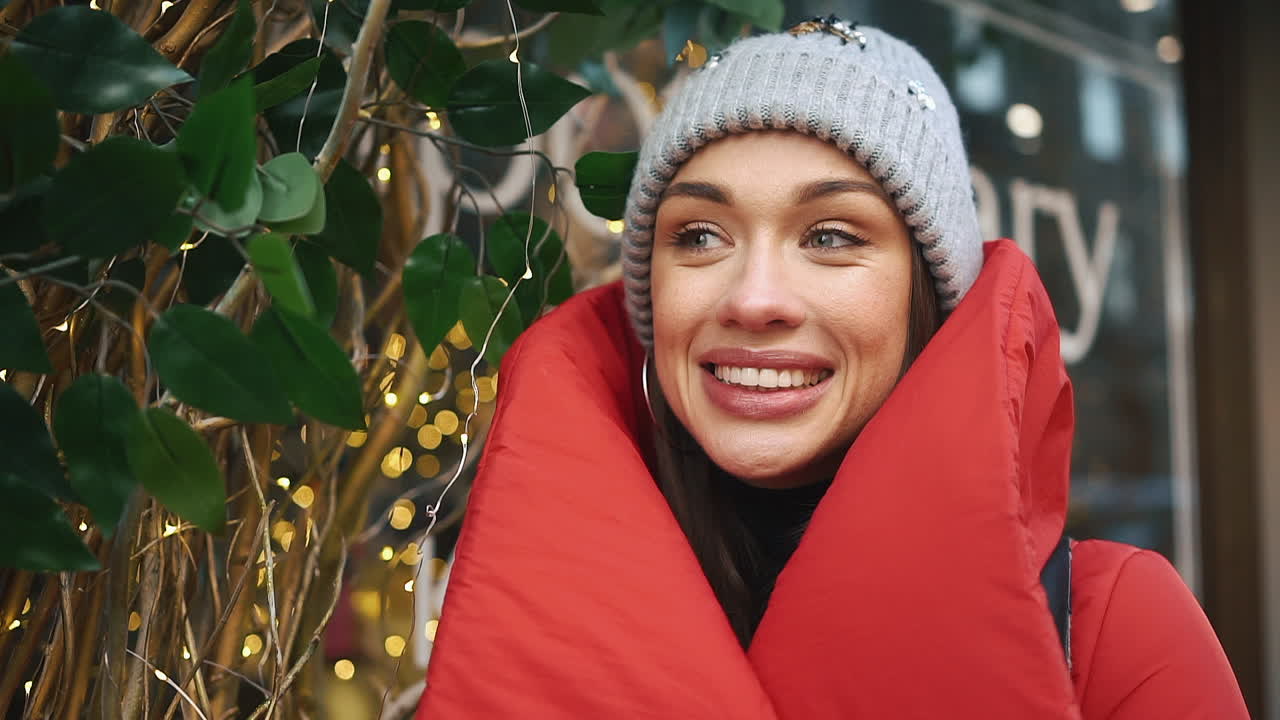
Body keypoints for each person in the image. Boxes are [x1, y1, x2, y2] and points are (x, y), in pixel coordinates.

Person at [415, 18, 1249, 719]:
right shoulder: (521, 610)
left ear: (931, 304)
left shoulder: (1110, 629)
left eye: (831, 236)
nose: (754, 298)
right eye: (700, 236)